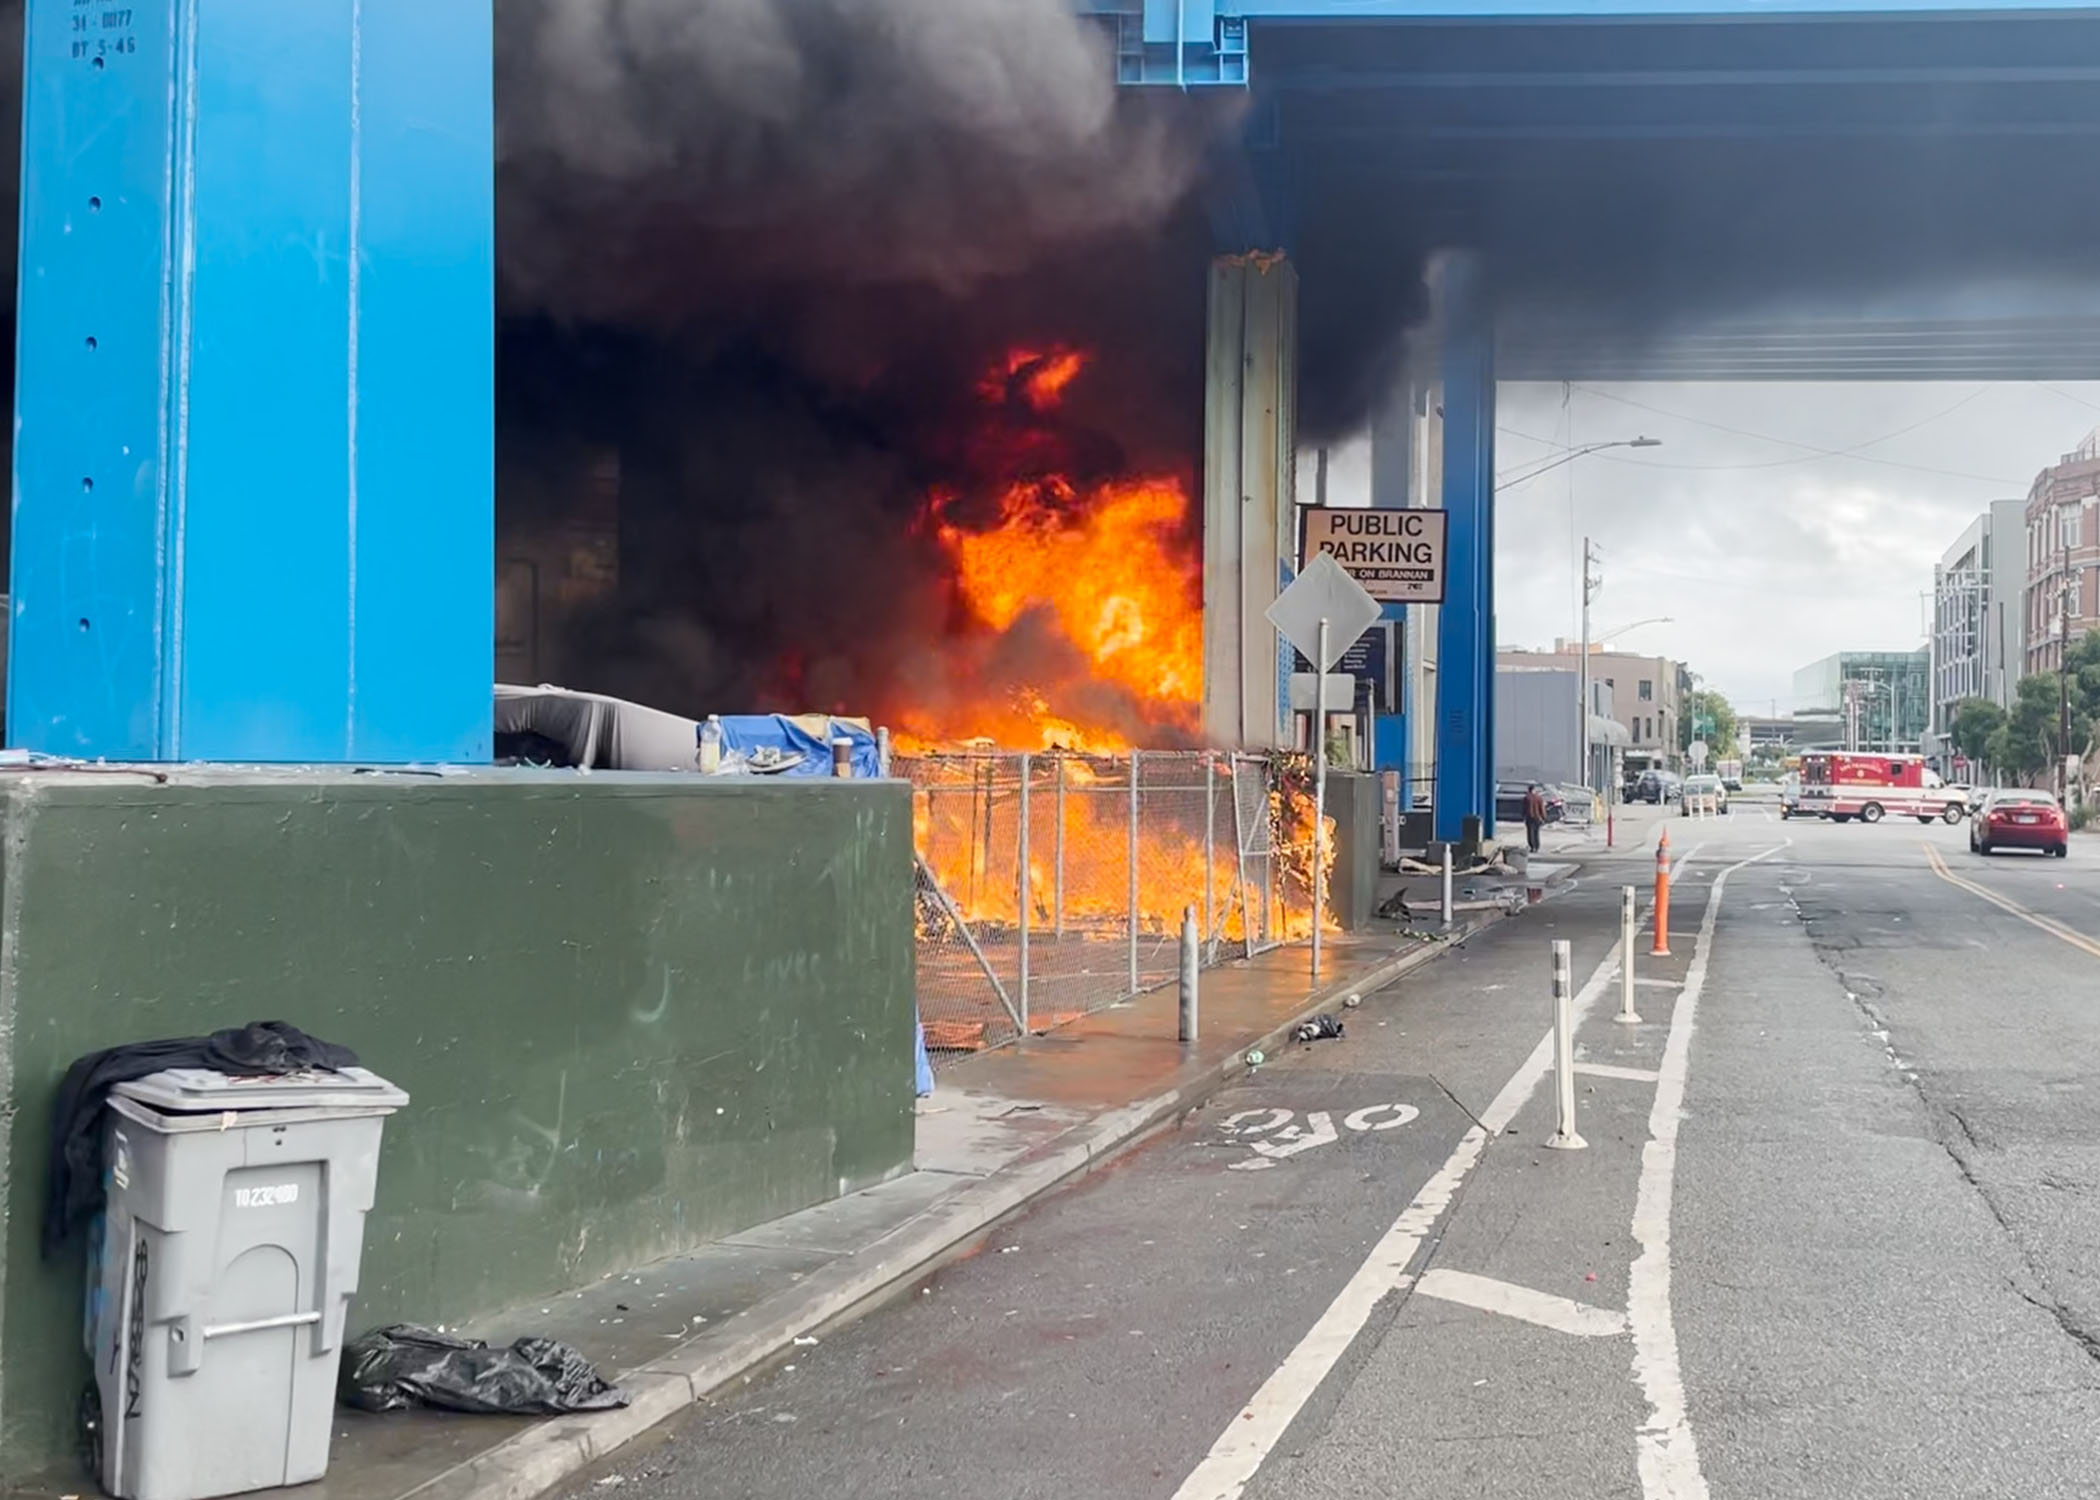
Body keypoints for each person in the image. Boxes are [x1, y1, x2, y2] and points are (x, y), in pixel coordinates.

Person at [1523, 782, 1547, 854]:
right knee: (1536, 833)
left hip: (1529, 817)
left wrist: (1523, 816)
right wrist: (1544, 817)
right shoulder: (1539, 798)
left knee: (1530, 833)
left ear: (1529, 790)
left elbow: (1524, 808)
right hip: (1537, 817)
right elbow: (1542, 808)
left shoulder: (1526, 798)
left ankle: (1532, 846)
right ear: (1534, 790)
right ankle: (1537, 846)